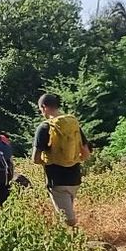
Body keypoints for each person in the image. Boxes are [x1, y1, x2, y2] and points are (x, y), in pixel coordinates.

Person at [31, 91, 90, 227]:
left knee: (67, 222)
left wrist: (50, 160)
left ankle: (76, 244)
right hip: (75, 179)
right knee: (65, 215)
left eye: (41, 110)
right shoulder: (73, 124)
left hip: (56, 180)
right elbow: (86, 154)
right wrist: (71, 160)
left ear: (44, 107)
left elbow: (35, 158)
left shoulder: (45, 127)